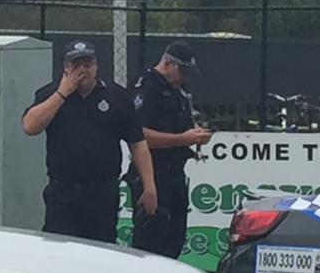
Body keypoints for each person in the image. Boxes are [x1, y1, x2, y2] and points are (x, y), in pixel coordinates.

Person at [22, 40, 157, 243]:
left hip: (102, 193)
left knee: (101, 251)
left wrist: (149, 186)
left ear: (96, 67)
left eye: (87, 65)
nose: (82, 71)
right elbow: (30, 127)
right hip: (63, 193)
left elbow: (137, 144)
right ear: (66, 67)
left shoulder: (116, 96)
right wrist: (62, 93)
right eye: (76, 65)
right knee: (59, 252)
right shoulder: (49, 94)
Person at [127, 40, 214, 258]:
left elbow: (178, 125)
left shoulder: (178, 90)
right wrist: (182, 139)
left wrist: (194, 134)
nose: (184, 77)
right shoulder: (148, 87)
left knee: (174, 240)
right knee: (151, 243)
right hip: (152, 174)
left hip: (175, 173)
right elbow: (139, 135)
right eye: (181, 70)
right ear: (167, 63)